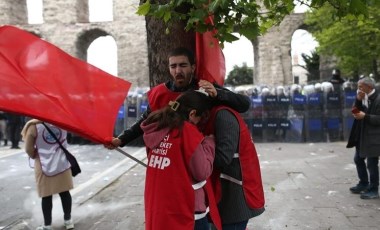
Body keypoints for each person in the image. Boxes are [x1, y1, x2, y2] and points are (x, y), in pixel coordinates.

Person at [107, 47, 250, 149]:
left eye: (183, 65)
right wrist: (121, 140)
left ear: (192, 67)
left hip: (197, 158)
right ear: (169, 69)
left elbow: (244, 104)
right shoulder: (159, 93)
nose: (178, 71)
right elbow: (146, 120)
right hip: (168, 157)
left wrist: (219, 93)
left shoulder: (205, 88)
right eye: (173, 66)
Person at [140, 90, 221, 230]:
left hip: (160, 210)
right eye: (199, 120)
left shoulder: (157, 127)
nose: (198, 125)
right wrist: (209, 143)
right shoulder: (187, 131)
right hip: (187, 212)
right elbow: (202, 171)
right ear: (192, 114)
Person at [202, 104, 265, 229]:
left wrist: (206, 146)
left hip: (234, 200)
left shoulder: (224, 116)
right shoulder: (217, 113)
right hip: (223, 196)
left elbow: (223, 158)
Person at [21, 119, 75, 230]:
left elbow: (28, 148)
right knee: (65, 192)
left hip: (43, 163)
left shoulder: (33, 126)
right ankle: (68, 221)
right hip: (62, 162)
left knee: (46, 195)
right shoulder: (63, 121)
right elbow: (69, 139)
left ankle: (47, 225)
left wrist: (34, 154)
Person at [347, 76, 380, 199]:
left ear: (369, 87)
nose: (358, 89)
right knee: (358, 158)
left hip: (374, 136)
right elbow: (355, 110)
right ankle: (364, 183)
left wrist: (364, 116)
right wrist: (358, 100)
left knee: (371, 163)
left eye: (361, 86)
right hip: (362, 134)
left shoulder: (377, 98)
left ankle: (373, 189)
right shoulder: (362, 96)